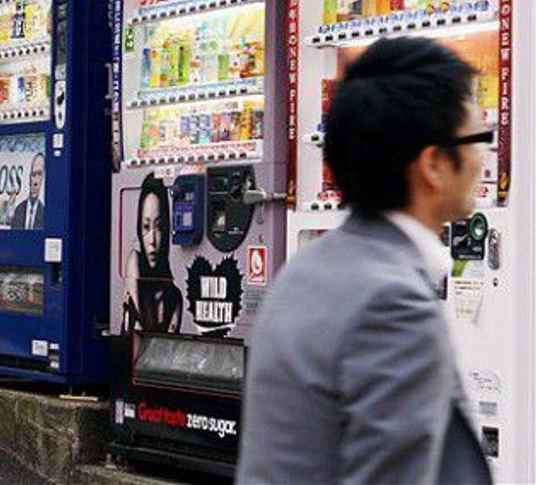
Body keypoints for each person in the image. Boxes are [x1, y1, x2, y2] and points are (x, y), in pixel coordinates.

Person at [237, 37, 492, 484]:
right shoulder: (393, 303)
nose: (484, 154)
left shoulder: (304, 270)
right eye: (477, 138)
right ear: (432, 164)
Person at [121, 174, 182, 333]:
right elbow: (133, 329)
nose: (152, 240)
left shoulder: (174, 297)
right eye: (146, 227)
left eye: (160, 227)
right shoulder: (134, 262)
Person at [11, 152, 45, 230]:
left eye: (39, 174)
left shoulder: (45, 214)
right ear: (29, 178)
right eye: (33, 174)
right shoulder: (18, 210)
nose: (35, 182)